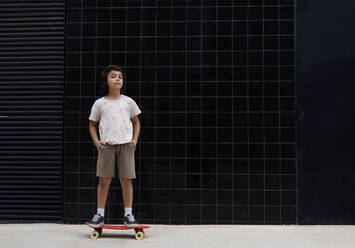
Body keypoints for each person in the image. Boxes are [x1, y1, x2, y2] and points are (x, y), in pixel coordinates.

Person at [88, 65, 141, 228]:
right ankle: (100, 214)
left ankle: (128, 214)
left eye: (120, 76)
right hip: (107, 147)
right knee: (104, 181)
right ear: (106, 81)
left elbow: (136, 122)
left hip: (126, 145)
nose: (118, 79)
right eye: (113, 76)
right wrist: (97, 143)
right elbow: (92, 125)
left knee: (126, 181)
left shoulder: (128, 101)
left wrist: (134, 140)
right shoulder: (100, 103)